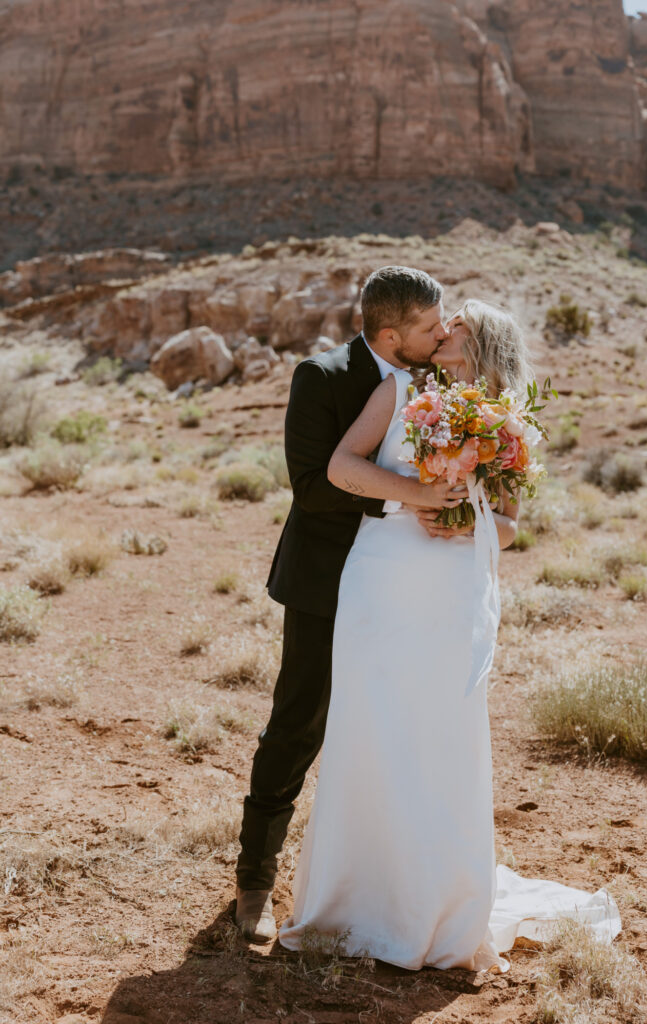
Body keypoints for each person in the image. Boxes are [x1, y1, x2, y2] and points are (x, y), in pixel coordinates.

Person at [277, 299, 621, 970]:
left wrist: (466, 523)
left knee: (437, 730)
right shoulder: (400, 389)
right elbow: (342, 469)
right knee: (370, 725)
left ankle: (434, 901)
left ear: (478, 336)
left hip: (448, 588)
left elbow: (508, 525)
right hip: (381, 575)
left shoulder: (508, 422)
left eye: (454, 320)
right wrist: (418, 498)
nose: (441, 328)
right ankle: (352, 899)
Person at [235, 266, 468, 941]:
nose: (441, 332)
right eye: (429, 326)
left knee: (391, 728)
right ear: (391, 333)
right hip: (326, 580)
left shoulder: (435, 379)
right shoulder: (323, 376)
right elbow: (311, 485)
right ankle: (254, 884)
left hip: (405, 582)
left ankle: (381, 881)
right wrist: (410, 497)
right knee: (299, 723)